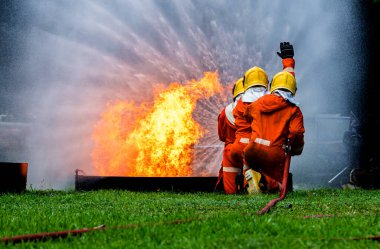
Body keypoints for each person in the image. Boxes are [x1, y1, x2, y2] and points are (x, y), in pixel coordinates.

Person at [243, 42, 305, 193]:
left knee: (249, 164)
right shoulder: (293, 109)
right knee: (277, 184)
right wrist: (295, 147)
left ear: (271, 86)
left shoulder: (258, 102)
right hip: (274, 152)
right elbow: (297, 133)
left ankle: (248, 183)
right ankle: (265, 182)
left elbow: (247, 114)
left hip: (252, 149)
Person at [225, 66, 269, 194]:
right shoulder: (270, 101)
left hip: (240, 145)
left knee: (232, 153)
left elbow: (225, 136)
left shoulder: (238, 105)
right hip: (263, 144)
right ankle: (268, 186)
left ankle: (232, 190)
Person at [215, 78, 244, 193]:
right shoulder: (256, 108)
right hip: (252, 150)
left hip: (231, 152)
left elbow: (222, 136)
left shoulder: (225, 112)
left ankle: (231, 191)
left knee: (229, 176)